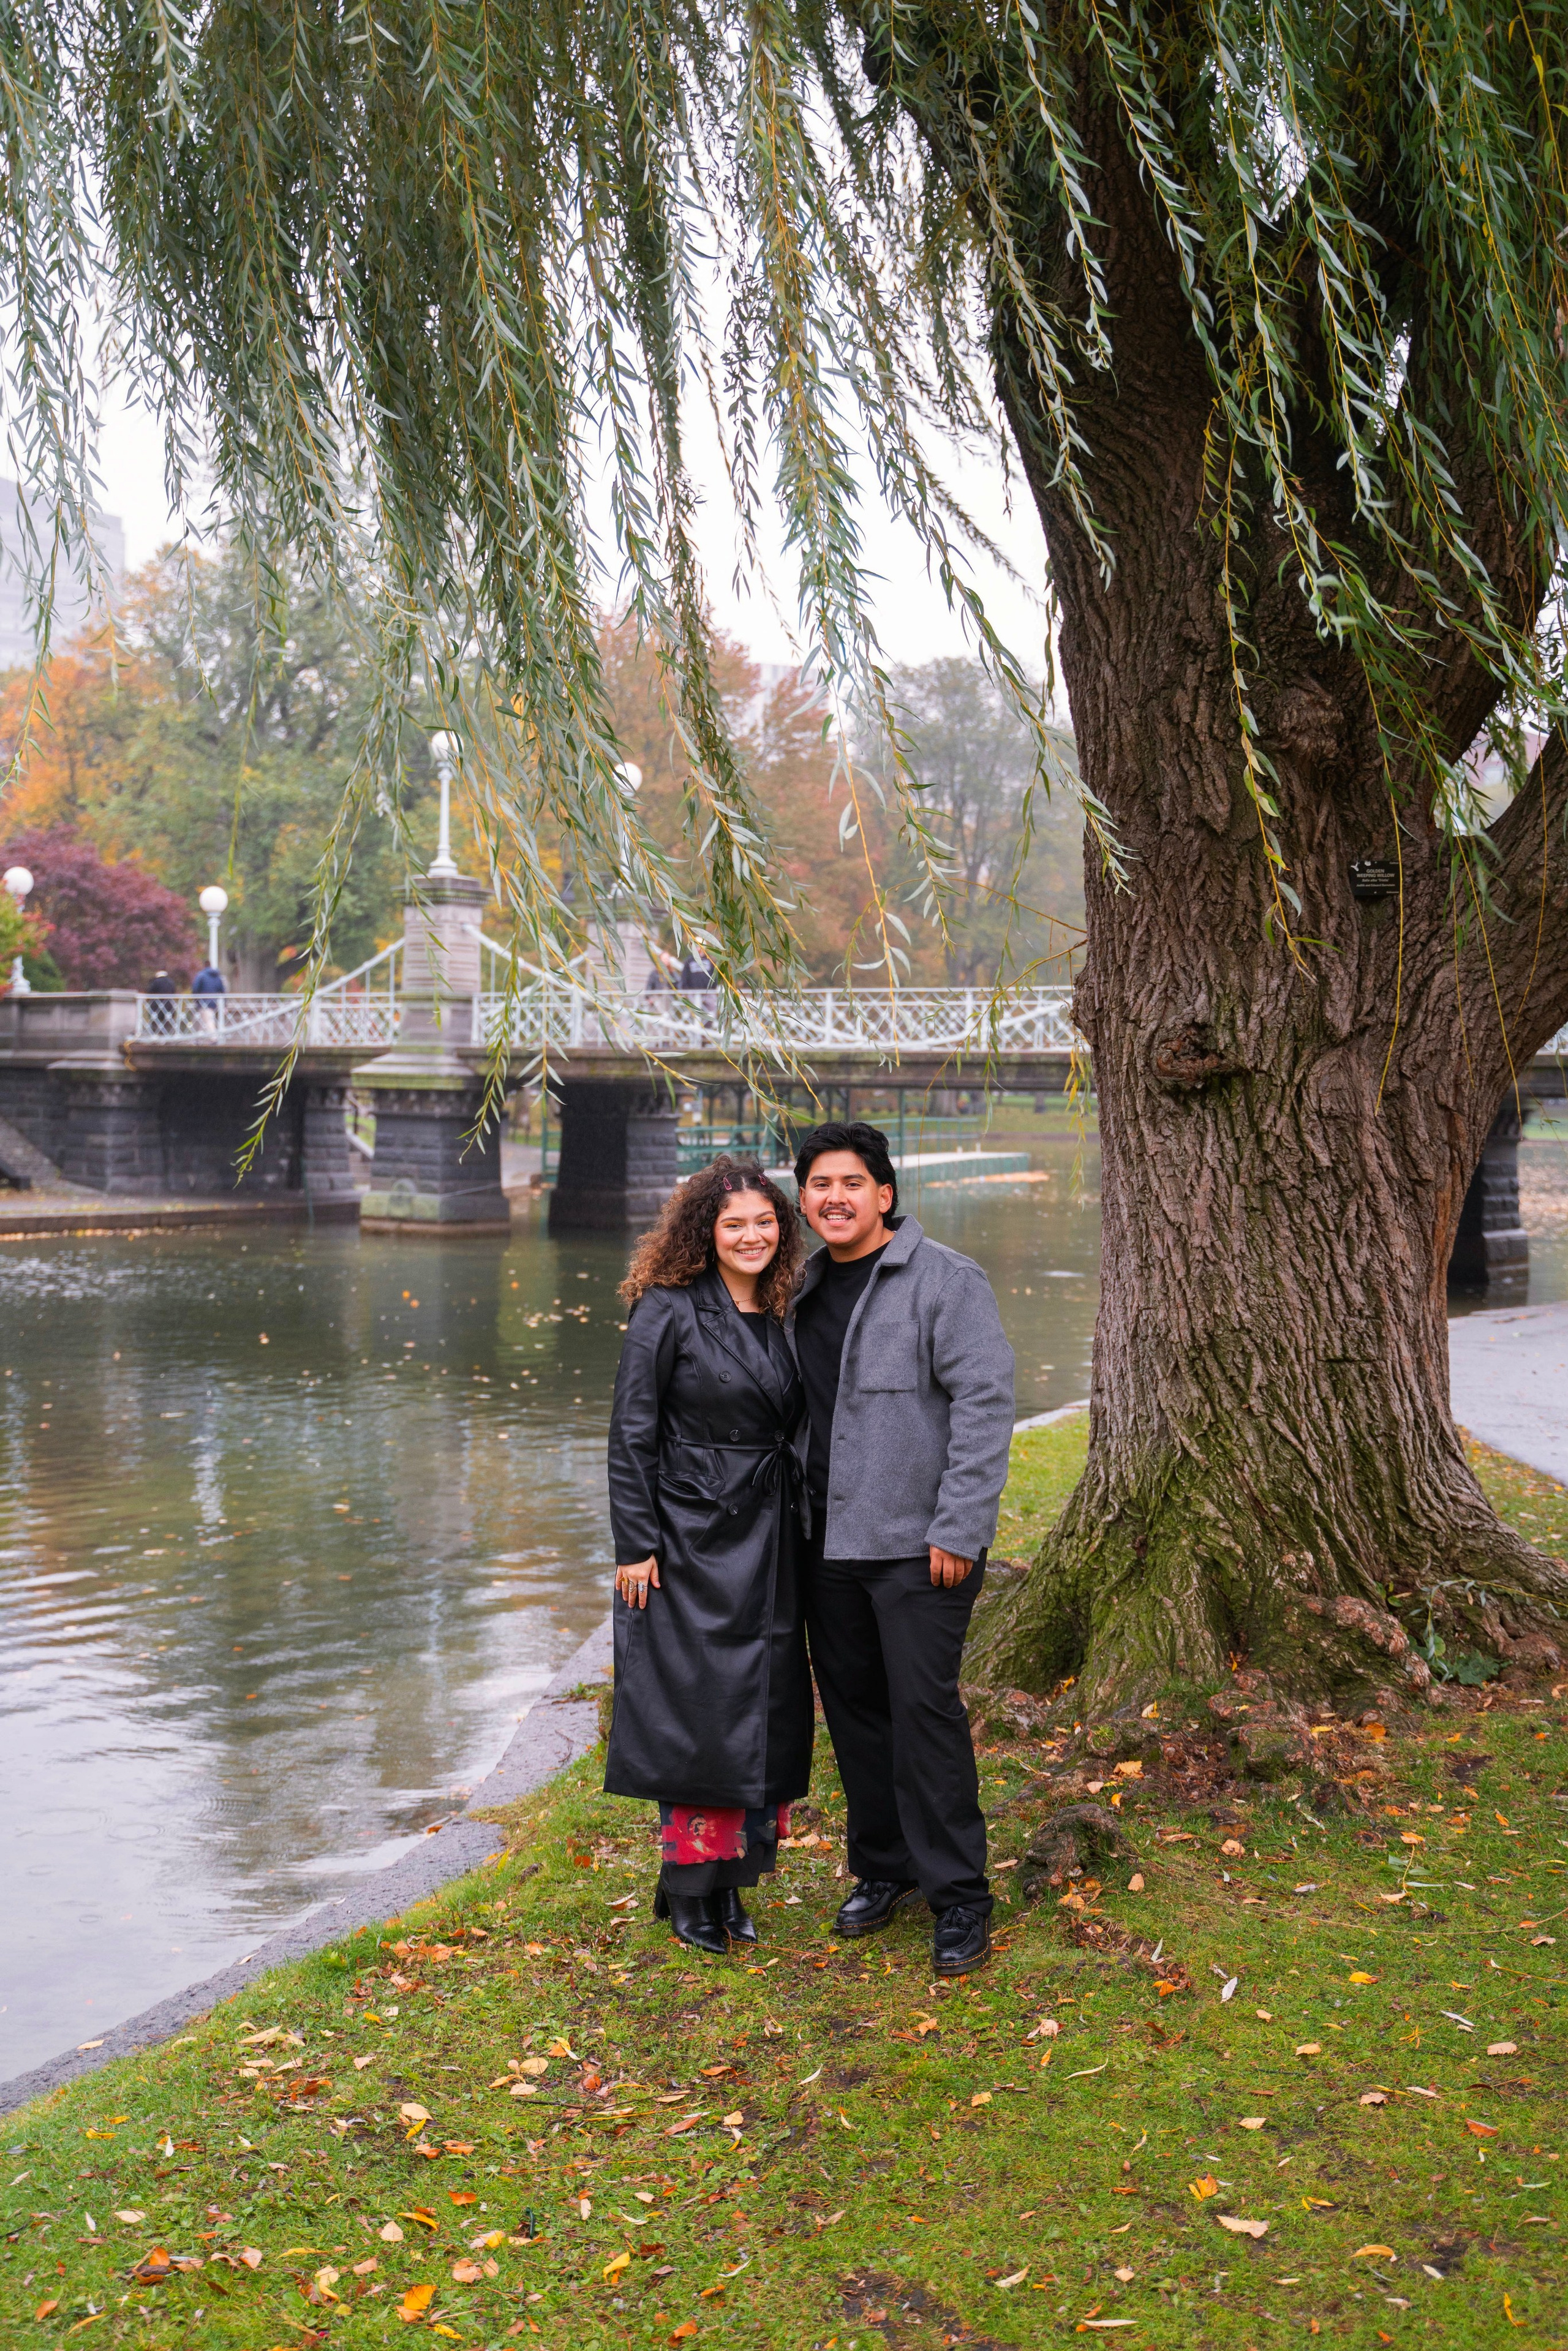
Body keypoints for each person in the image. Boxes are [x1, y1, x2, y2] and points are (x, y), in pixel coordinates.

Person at [790, 1120, 1015, 1976]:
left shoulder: (946, 1280)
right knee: (855, 1715)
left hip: (920, 1548)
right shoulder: (798, 1287)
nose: (835, 1197)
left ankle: (960, 1896)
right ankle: (885, 1868)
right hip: (825, 1544)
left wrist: (959, 1525)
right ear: (803, 1200)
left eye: (852, 1182)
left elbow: (984, 1404)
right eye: (820, 1184)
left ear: (884, 1193)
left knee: (924, 1715)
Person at [605, 1157, 812, 1953]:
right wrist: (636, 1543)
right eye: (735, 1224)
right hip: (688, 1536)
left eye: (765, 1222)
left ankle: (732, 1880)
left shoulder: (786, 1305)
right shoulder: (667, 1309)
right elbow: (632, 1431)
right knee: (697, 1709)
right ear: (706, 1231)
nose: (752, 1236)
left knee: (759, 1706)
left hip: (771, 1533)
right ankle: (689, 1884)